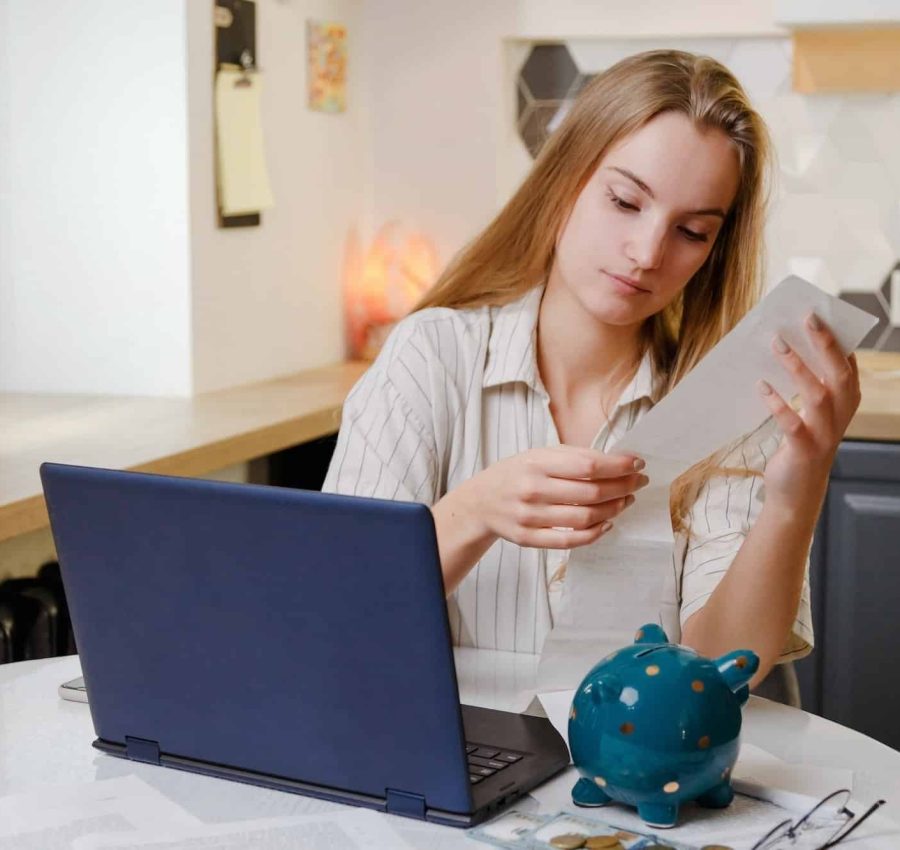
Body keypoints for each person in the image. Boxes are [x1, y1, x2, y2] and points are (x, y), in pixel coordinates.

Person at [322, 49, 861, 691]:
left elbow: (723, 670)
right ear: (564, 183)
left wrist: (796, 493)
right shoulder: (429, 357)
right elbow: (333, 613)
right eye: (625, 201)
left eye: (691, 231)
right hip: (461, 764)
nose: (646, 253)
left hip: (645, 776)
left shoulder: (729, 407)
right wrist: (474, 512)